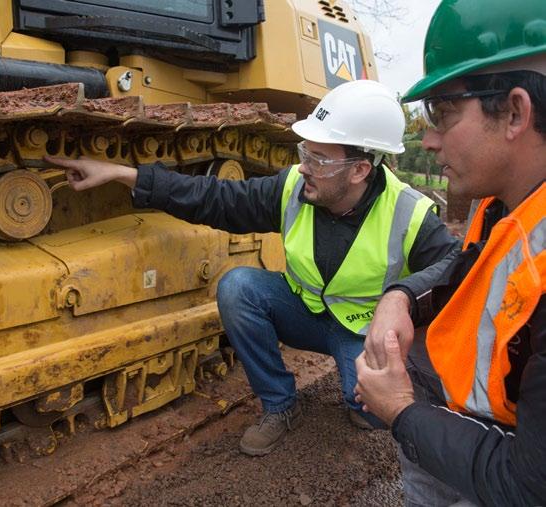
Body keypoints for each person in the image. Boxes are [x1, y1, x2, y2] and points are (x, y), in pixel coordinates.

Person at [46, 79, 458, 457]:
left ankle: (359, 394)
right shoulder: (294, 189)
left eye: (318, 159)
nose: (303, 168)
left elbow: (454, 268)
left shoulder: (410, 213)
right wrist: (124, 174)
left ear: (359, 170)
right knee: (239, 286)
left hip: (362, 330)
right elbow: (215, 198)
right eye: (304, 153)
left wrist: (401, 300)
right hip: (306, 315)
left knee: (370, 410)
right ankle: (280, 404)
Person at [354, 0, 545, 505]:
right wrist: (402, 297)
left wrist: (401, 411)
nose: (430, 140)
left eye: (443, 112)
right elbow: (465, 266)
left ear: (515, 112)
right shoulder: (505, 203)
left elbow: (530, 484)